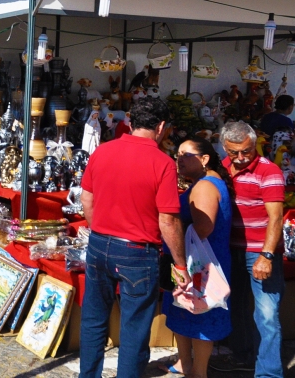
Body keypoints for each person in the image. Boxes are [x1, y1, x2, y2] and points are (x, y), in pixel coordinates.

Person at [78, 96, 189, 378]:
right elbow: (168, 220)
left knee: (93, 321)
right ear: (161, 126)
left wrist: (101, 230)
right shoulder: (162, 163)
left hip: (100, 243)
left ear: (130, 121)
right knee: (134, 329)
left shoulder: (102, 151)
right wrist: (180, 264)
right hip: (138, 252)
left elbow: (86, 199)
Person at [210, 121, 285, 376]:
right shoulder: (221, 169)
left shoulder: (269, 171)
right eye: (234, 153)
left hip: (259, 252)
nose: (241, 158)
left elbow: (275, 217)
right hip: (231, 250)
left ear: (254, 145)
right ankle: (242, 356)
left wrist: (266, 255)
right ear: (224, 148)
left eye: (247, 151)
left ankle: (269, 373)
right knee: (237, 308)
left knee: (266, 315)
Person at [162, 137, 232, 378]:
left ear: (204, 159)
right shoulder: (203, 182)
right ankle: (186, 364)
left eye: (186, 154)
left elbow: (202, 227)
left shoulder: (204, 186)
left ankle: (198, 372)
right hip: (193, 259)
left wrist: (175, 233)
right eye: (178, 154)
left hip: (200, 263)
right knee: (182, 309)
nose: (179, 159)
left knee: (202, 313)